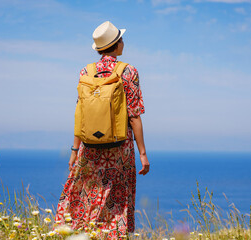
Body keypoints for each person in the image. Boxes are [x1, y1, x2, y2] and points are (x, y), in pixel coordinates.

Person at [55, 21, 150, 239]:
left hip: (88, 147)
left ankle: (76, 233)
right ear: (117, 45)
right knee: (115, 198)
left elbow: (81, 114)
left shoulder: (85, 72)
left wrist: (74, 150)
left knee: (87, 192)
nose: (123, 43)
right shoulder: (128, 71)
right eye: (121, 39)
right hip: (120, 148)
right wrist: (143, 153)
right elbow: (134, 116)